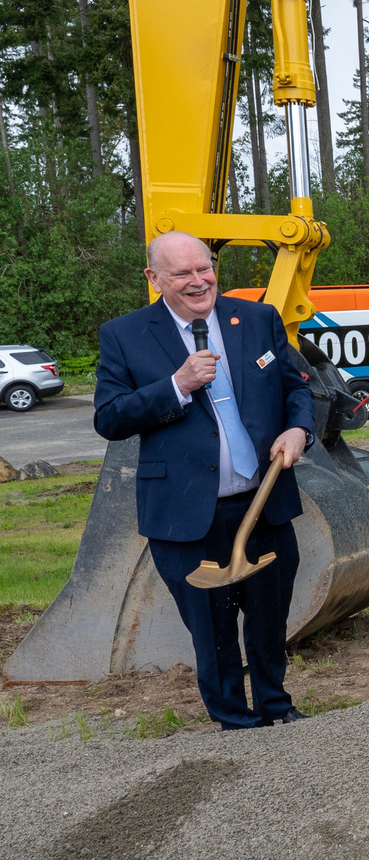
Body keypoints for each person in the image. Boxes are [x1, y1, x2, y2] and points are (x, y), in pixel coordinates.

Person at [93, 231, 315, 730]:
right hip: (187, 514)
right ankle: (234, 722)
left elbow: (295, 387)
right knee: (212, 631)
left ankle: (277, 709)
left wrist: (298, 427)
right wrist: (177, 385)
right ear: (154, 279)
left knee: (269, 618)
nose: (198, 281)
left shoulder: (257, 319)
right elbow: (109, 417)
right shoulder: (124, 335)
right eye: (182, 274)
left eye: (205, 268)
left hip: (264, 505)